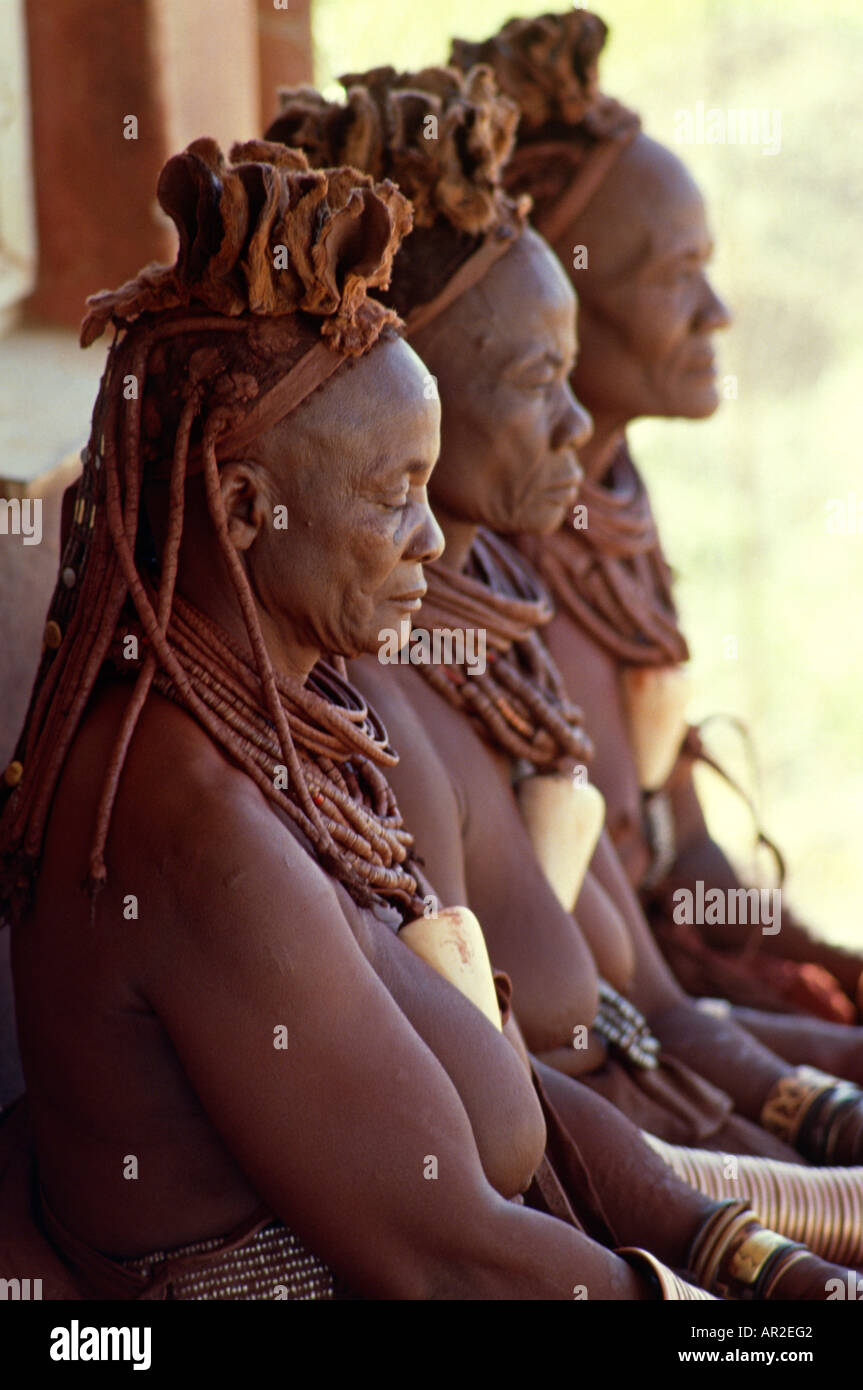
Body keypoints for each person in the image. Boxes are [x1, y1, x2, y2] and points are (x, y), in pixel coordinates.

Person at [0, 134, 764, 1303]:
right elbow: (445, 1254)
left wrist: (747, 1257)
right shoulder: (187, 819)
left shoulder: (276, 733)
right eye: (393, 495)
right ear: (246, 507)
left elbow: (519, 1088)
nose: (429, 540)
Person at [265, 63, 863, 1257]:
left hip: (677, 1157)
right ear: (418, 394)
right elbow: (487, 1161)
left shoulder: (497, 646)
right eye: (542, 376)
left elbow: (647, 997)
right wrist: (745, 1262)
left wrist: (826, 1114)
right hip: (614, 1211)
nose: (580, 425)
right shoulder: (358, 712)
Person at [449, 9, 863, 1052]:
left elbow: (687, 863)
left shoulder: (614, 507)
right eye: (674, 272)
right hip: (613, 1052)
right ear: (554, 302)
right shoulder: (465, 579)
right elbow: (595, 1002)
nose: (715, 310)